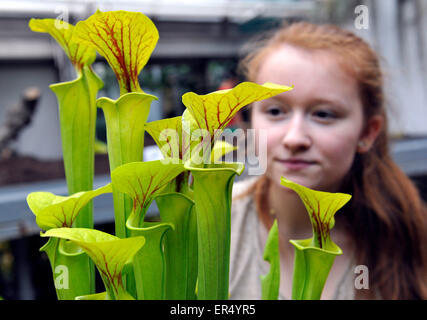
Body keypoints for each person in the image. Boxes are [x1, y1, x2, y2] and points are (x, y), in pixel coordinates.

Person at [229, 21, 427, 300]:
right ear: (250, 121)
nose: (294, 138)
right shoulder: (215, 225)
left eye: (323, 114)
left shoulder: (403, 237)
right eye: (275, 111)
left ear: (368, 132)